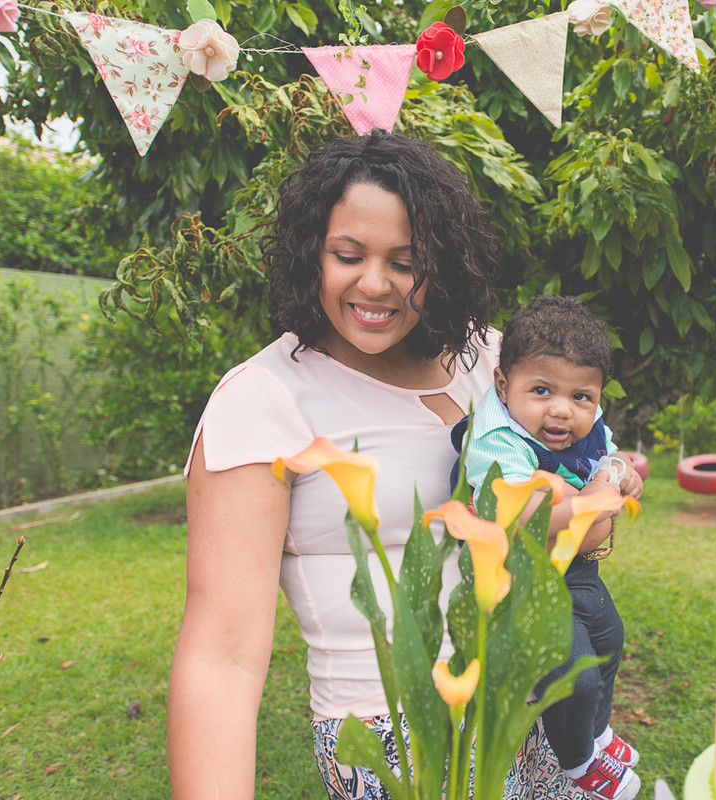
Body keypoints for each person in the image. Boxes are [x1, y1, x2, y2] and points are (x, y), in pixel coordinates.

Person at [167, 132, 591, 800]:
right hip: (391, 736)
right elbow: (220, 658)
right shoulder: (264, 400)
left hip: (513, 706)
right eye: (347, 255)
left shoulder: (492, 363)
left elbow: (553, 484)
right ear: (312, 254)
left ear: (442, 266)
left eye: (406, 261)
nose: (374, 283)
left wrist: (597, 499)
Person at [460, 295, 645, 800]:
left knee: (609, 641)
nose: (562, 410)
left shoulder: (585, 422)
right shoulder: (497, 436)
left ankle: (598, 735)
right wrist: (589, 504)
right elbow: (515, 515)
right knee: (575, 675)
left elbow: (607, 455)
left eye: (581, 397)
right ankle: (578, 763)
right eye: (541, 390)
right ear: (503, 384)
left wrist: (622, 474)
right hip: (519, 582)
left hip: (575, 570)